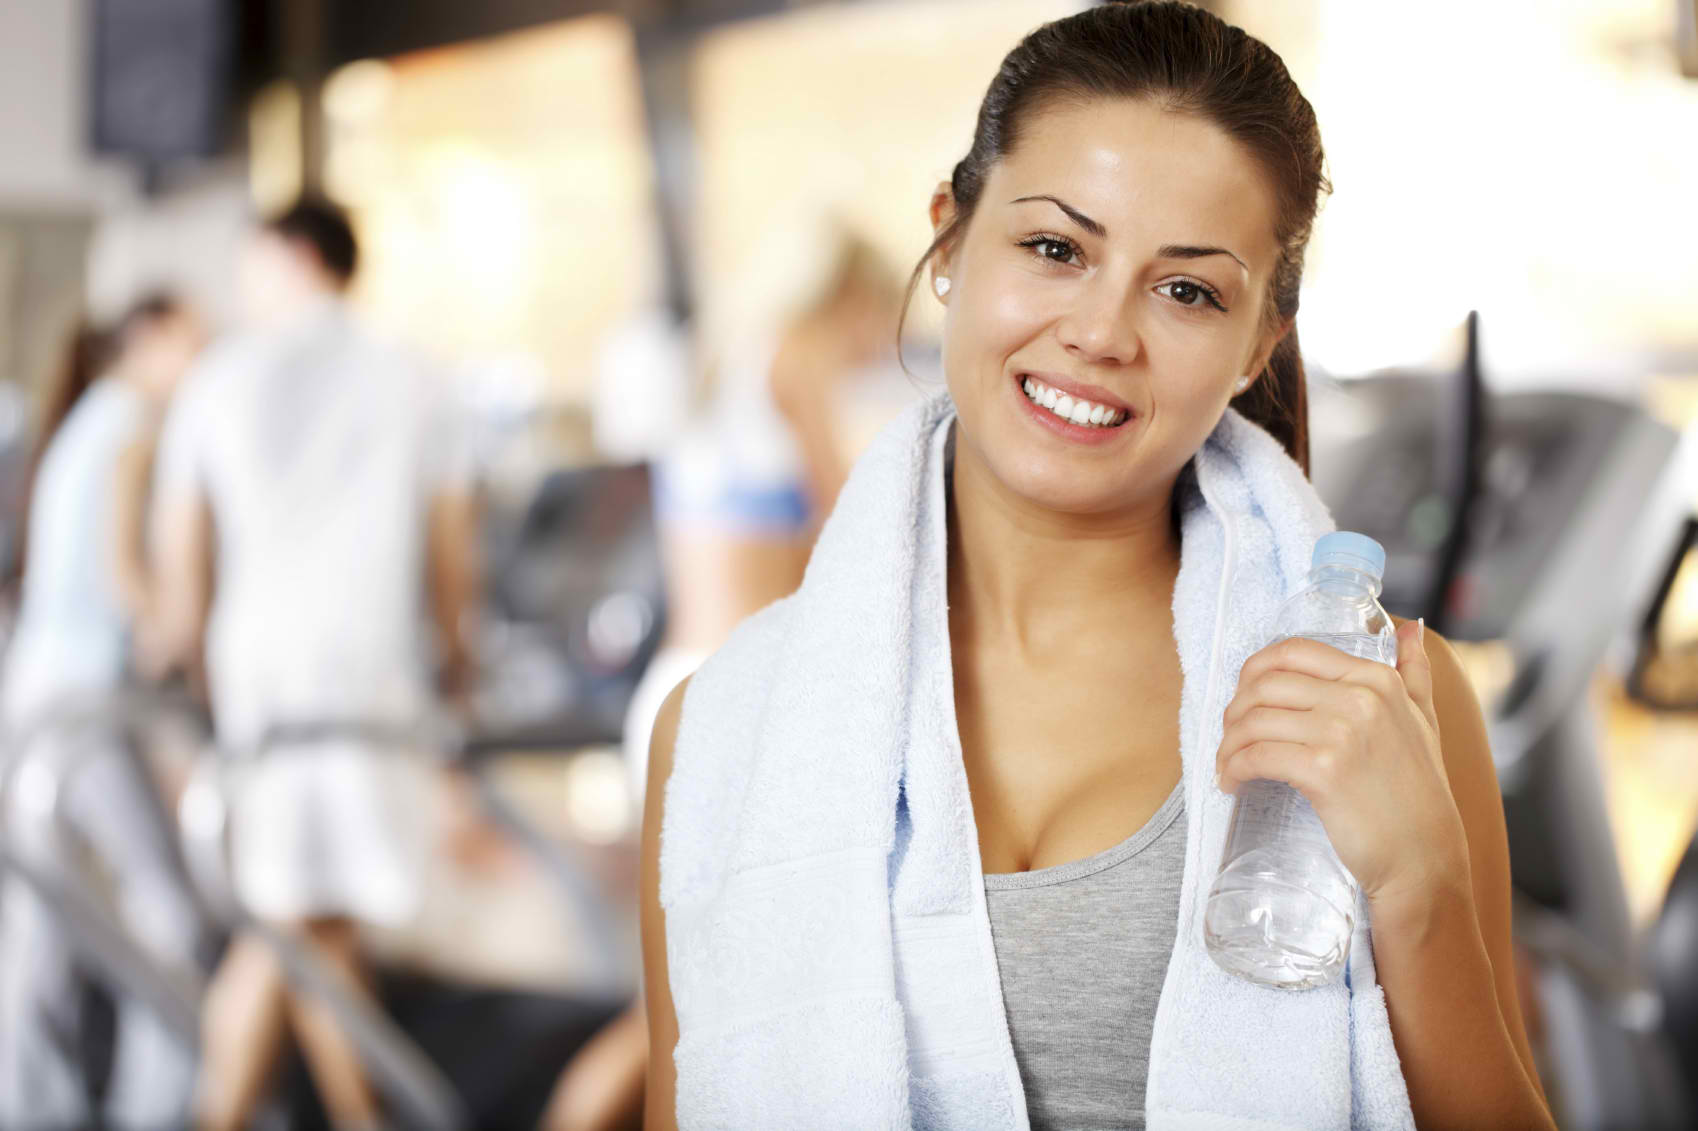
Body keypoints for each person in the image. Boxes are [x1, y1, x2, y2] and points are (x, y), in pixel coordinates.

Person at [639, 4, 1554, 1129]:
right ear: (949, 241)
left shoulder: (1386, 703)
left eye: (1187, 291)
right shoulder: (725, 728)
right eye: (1055, 248)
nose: (1102, 333)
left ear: (1258, 342)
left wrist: (1420, 889)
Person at [147, 197, 479, 1131]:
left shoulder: (222, 376)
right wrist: (459, 664)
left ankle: (279, 1113)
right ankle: (351, 1114)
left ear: (295, 255)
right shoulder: (412, 374)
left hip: (260, 676)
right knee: (305, 915)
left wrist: (182, 662)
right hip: (372, 672)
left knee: (296, 914)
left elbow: (183, 548)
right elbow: (452, 549)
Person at [0, 293, 207, 1130]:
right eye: (194, 339)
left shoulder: (89, 417)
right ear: (149, 340)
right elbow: (124, 566)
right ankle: (163, 1107)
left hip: (35, 697)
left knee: (48, 919)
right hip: (80, 707)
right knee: (170, 913)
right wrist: (177, 637)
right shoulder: (130, 423)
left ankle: (27, 1102)